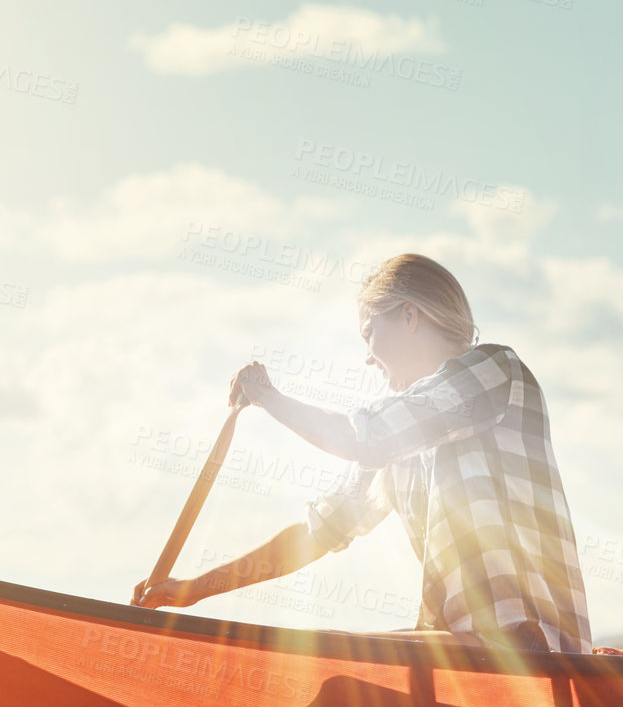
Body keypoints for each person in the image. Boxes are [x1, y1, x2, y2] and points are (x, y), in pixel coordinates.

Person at [131, 254, 591, 653]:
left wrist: (266, 395)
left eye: (369, 333)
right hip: (464, 650)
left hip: (533, 650)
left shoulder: (495, 371)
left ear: (409, 316)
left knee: (328, 664)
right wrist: (193, 591)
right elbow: (318, 532)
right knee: (325, 661)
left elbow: (362, 437)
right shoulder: (404, 443)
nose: (368, 357)